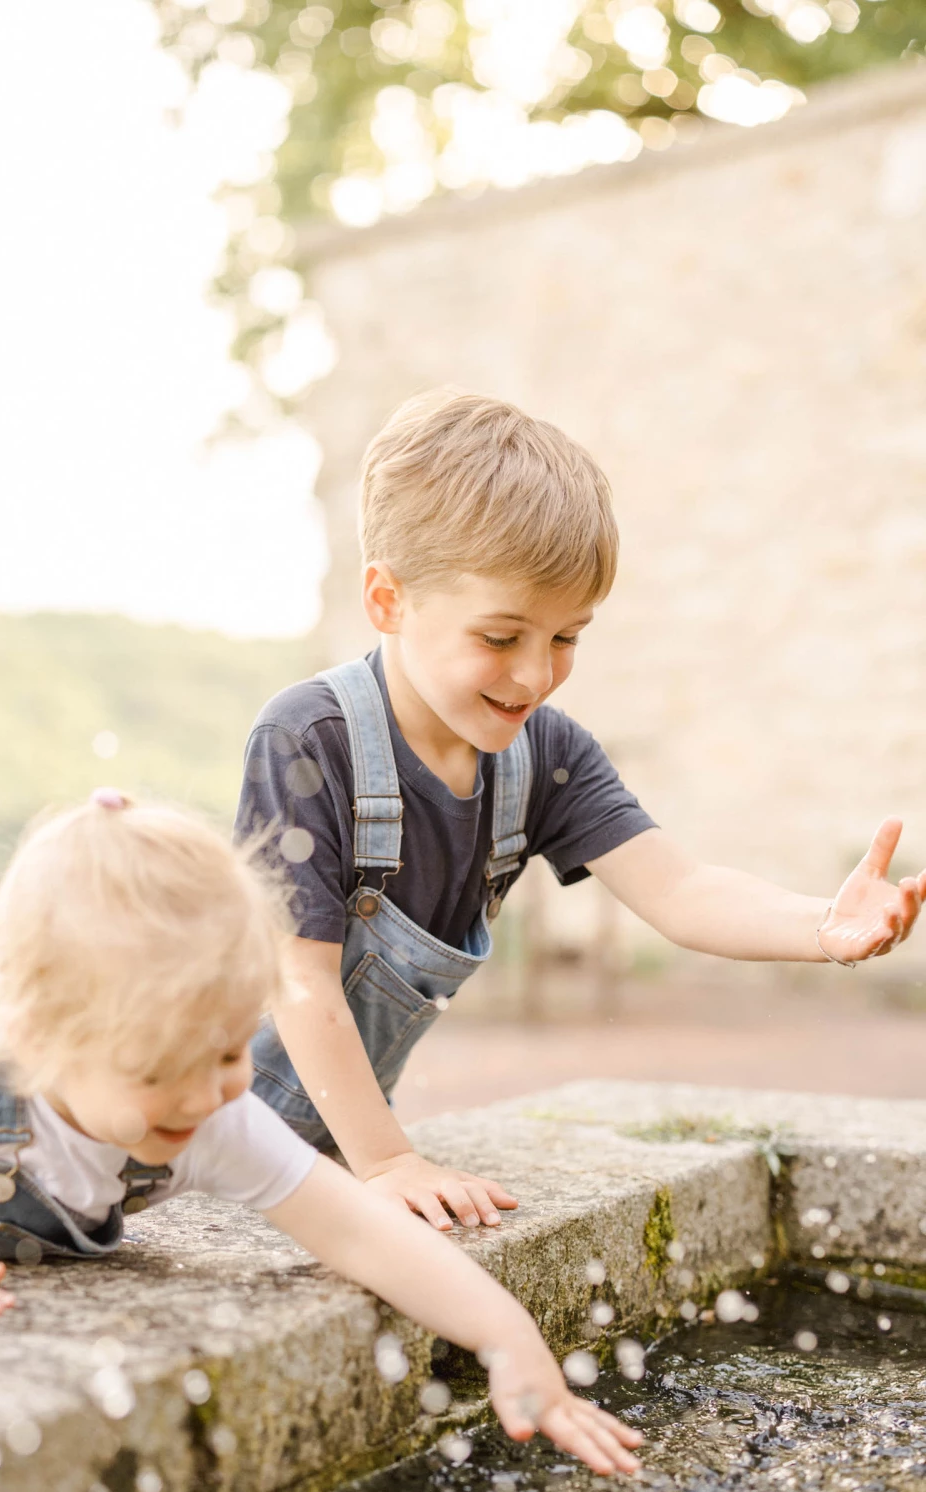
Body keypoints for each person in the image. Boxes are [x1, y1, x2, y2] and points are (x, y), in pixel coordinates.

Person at [0, 790, 641, 1478]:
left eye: (231, 1049)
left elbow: (359, 1230)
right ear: (40, 1035)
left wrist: (508, 1339)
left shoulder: (205, 1106)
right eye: (164, 1068)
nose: (210, 1092)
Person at [237, 389, 926, 1231]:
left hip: (322, 1152)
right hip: (191, 1135)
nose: (534, 676)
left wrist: (822, 925)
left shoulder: (545, 756)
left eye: (566, 639)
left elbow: (682, 891)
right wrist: (387, 1159)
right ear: (389, 601)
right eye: (500, 638)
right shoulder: (309, 739)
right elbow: (298, 981)